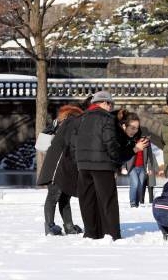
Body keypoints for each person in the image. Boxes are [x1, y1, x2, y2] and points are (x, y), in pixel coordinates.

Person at [75, 91, 122, 240]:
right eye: (110, 104)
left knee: (87, 200)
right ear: (104, 103)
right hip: (102, 165)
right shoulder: (107, 118)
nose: (111, 107)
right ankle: (112, 233)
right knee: (108, 200)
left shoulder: (81, 118)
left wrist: (80, 160)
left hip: (83, 165)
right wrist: (117, 160)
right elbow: (110, 143)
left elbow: (73, 142)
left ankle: (91, 232)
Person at [37, 104, 84, 236]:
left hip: (65, 167)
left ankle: (68, 226)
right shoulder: (62, 127)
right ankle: (50, 226)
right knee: (54, 195)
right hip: (56, 168)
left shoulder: (65, 127)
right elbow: (41, 146)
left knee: (64, 197)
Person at [117, 111, 157, 208]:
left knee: (140, 185)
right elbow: (124, 153)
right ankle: (133, 203)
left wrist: (150, 167)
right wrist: (123, 166)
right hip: (132, 167)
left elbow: (149, 156)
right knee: (135, 184)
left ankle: (138, 202)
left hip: (142, 167)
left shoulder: (146, 142)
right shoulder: (130, 140)